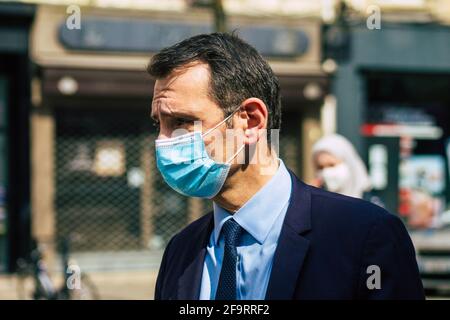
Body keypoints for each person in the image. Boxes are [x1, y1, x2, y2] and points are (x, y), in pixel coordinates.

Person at [149, 33, 424, 300]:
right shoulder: (180, 251)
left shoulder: (364, 235)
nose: (163, 141)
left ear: (251, 122)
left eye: (181, 122)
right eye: (158, 124)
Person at [311, 134, 384, 206]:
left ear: (348, 162)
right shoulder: (315, 203)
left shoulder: (372, 205)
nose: (326, 172)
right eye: (320, 167)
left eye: (331, 165)